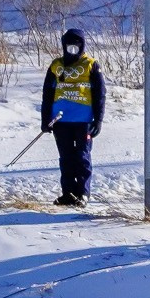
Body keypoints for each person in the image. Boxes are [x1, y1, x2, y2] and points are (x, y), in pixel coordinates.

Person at [40, 29, 105, 206]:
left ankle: (83, 193)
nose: (73, 49)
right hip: (60, 121)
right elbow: (47, 94)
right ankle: (68, 193)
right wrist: (45, 119)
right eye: (69, 45)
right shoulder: (56, 66)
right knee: (66, 158)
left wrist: (98, 120)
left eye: (77, 45)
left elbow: (100, 95)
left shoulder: (91, 65)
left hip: (84, 122)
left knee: (82, 157)